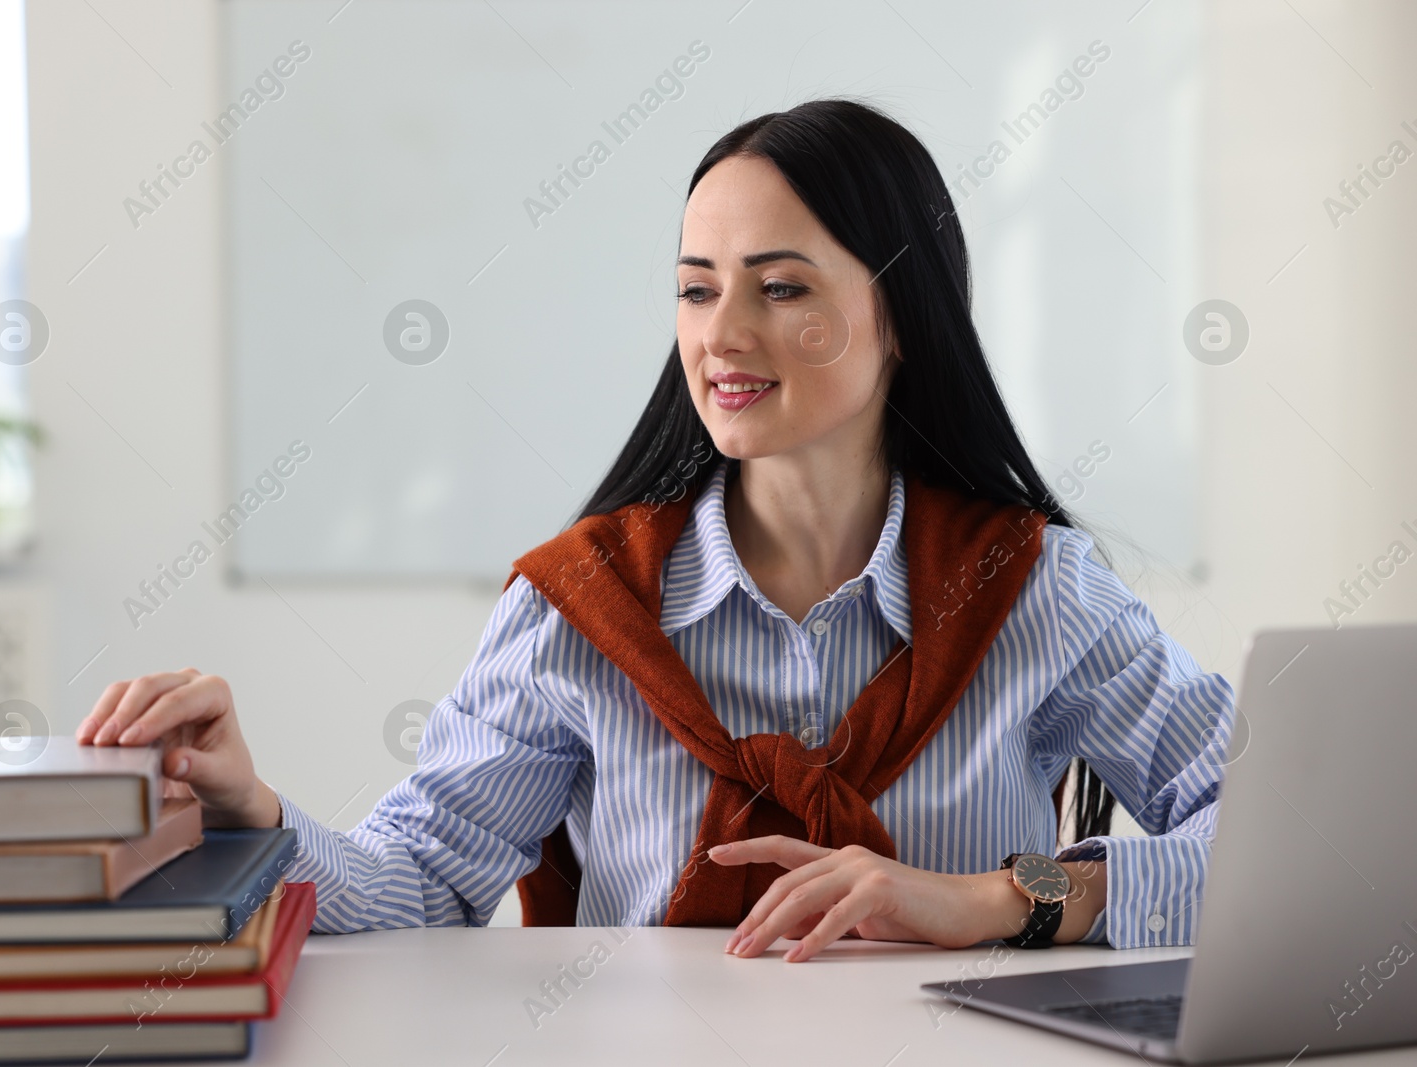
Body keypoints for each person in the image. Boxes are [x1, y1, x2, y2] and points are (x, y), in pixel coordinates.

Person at [78, 98, 1233, 963]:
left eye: (780, 288)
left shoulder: (1034, 587)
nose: (721, 333)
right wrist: (250, 805)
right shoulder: (580, 607)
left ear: (900, 318)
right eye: (695, 288)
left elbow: (1270, 841)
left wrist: (1001, 895)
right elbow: (422, 879)